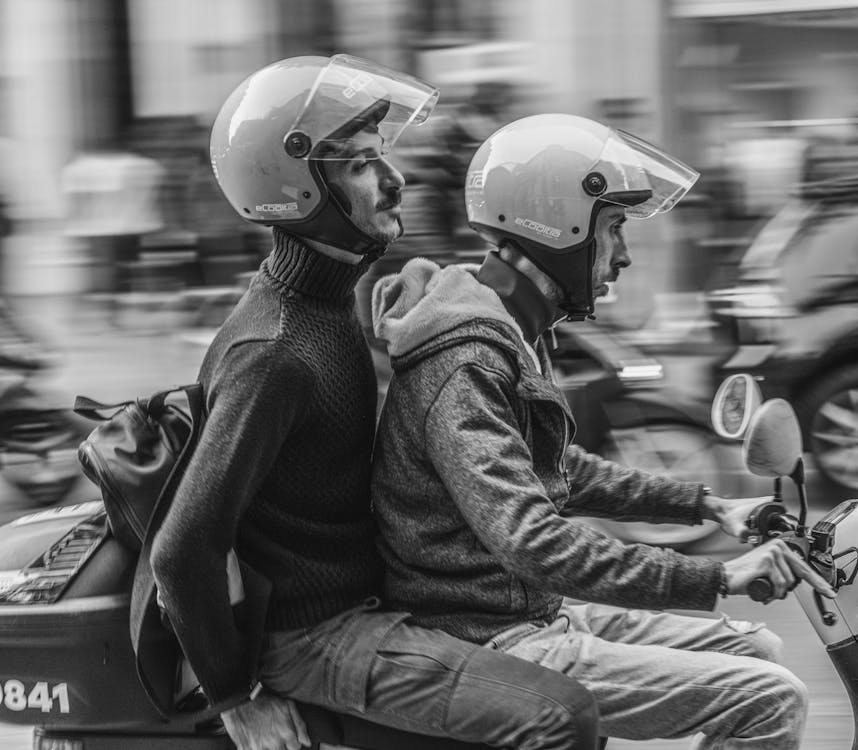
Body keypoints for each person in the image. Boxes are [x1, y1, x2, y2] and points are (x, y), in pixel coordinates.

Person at [150, 57, 598, 750]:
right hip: (317, 636)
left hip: (374, 604)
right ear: (298, 189)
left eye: (381, 157)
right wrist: (238, 700)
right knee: (557, 713)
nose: (395, 179)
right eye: (360, 164)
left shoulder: (328, 306)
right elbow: (183, 548)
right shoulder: (275, 351)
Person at [368, 113, 838, 750]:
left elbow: (564, 468)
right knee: (771, 698)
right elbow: (534, 543)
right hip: (486, 636)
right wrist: (718, 577)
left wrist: (712, 507)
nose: (624, 254)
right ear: (557, 226)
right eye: (613, 228)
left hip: (529, 610)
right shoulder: (467, 361)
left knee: (758, 648)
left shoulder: (512, 330)